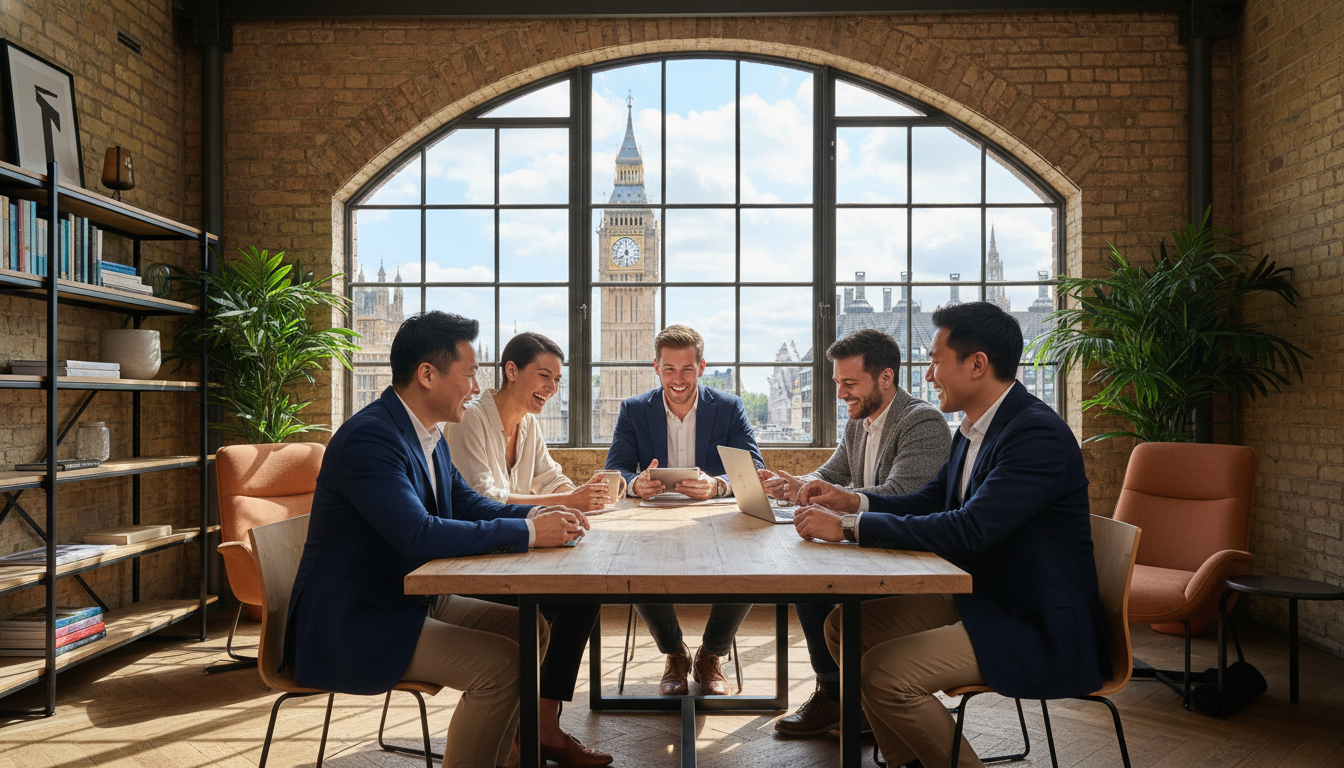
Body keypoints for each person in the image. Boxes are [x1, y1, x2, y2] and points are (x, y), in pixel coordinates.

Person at [793, 302, 1107, 768]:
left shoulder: (1035, 436)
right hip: (983, 595)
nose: (928, 376)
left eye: (936, 361)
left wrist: (847, 528)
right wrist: (851, 501)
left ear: (977, 364)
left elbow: (968, 530)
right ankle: (908, 761)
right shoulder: (973, 429)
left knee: (883, 674)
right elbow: (928, 501)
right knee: (841, 627)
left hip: (1031, 620)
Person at [284, 311, 591, 768]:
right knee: (502, 668)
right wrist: (529, 531)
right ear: (426, 374)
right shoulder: (371, 438)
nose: (474, 386)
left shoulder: (428, 434)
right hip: (358, 619)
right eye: (468, 374)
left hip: (409, 599)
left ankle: (509, 754)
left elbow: (469, 505)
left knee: (533, 630)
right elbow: (418, 534)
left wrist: (542, 515)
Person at [758, 329, 950, 738]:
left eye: (850, 383)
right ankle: (837, 696)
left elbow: (905, 496)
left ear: (886, 378)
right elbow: (830, 474)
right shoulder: (858, 423)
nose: (842, 394)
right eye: (838, 384)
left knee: (810, 579)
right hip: (870, 546)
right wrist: (799, 483)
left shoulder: (922, 422)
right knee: (805, 573)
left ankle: (848, 700)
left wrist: (835, 499)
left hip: (908, 556)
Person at [445, 331, 612, 767]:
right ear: (511, 370)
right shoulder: (469, 420)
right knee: (562, 602)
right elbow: (483, 498)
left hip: (514, 551)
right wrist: (563, 502)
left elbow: (549, 477)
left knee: (583, 594)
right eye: (544, 375)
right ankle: (534, 730)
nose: (552, 388)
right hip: (473, 562)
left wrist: (580, 493)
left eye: (557, 379)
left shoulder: (529, 424)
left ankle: (542, 727)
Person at [605, 324, 764, 696]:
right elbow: (617, 470)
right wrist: (634, 483)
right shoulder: (633, 410)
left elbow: (753, 469)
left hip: (714, 519)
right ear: (656, 368)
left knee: (751, 561)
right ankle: (675, 652)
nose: (678, 379)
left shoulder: (728, 408)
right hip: (651, 521)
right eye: (669, 369)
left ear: (702, 367)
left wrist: (718, 485)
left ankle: (711, 654)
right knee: (632, 563)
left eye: (687, 369)